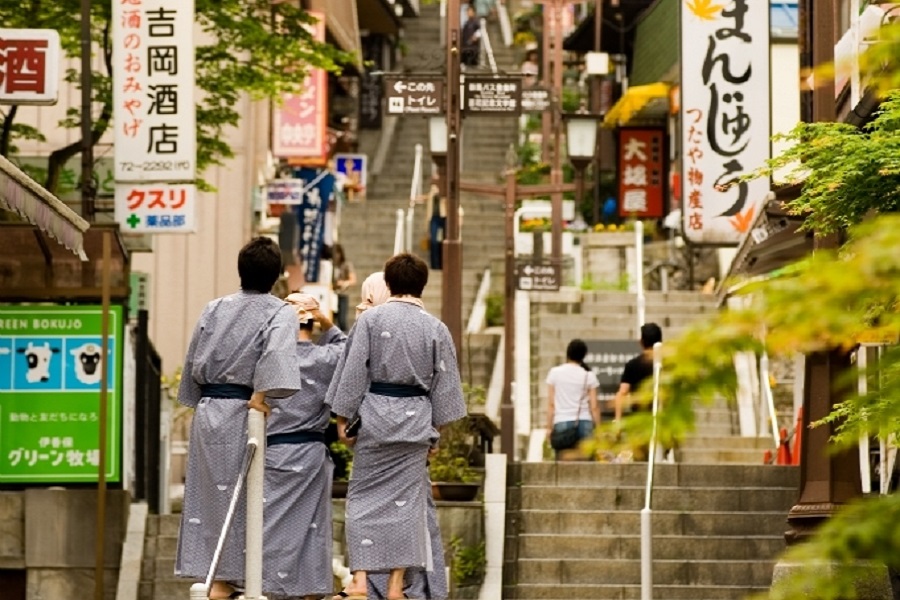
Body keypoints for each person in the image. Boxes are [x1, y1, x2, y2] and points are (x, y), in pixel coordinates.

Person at [327, 253, 467, 600]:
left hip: (375, 418)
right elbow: (445, 388)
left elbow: (354, 372)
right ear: (423, 285)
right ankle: (394, 585)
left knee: (361, 500)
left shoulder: (371, 322)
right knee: (407, 507)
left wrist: (344, 420)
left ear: (388, 284)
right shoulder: (436, 328)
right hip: (415, 422)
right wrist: (436, 432)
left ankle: (359, 579)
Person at [174, 237, 304, 600]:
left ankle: (217, 578)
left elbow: (192, 367)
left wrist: (202, 402)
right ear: (277, 274)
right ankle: (233, 580)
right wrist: (260, 398)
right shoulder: (280, 312)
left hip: (208, 412)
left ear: (240, 270)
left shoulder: (214, 308)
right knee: (248, 496)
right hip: (244, 413)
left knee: (210, 496)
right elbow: (276, 358)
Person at [262, 293, 347, 600]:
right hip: (310, 454)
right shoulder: (326, 358)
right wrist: (327, 321)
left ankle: (267, 590)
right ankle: (310, 593)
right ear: (314, 322)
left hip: (273, 454)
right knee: (313, 531)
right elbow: (348, 347)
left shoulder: (268, 357)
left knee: (270, 527)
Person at [546, 339, 601, 459]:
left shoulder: (554, 373)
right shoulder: (589, 375)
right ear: (583, 356)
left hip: (561, 422)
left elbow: (551, 404)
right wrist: (599, 429)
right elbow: (594, 407)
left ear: (568, 353)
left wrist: (549, 428)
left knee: (562, 464)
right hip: (585, 423)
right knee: (587, 463)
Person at [614, 322, 663, 424]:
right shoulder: (668, 364)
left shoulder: (632, 365)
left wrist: (618, 421)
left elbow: (622, 393)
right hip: (664, 420)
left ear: (641, 342)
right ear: (661, 341)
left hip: (639, 421)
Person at [333, 243, 357, 332]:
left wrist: (344, 283)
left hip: (342, 294)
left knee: (342, 320)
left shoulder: (346, 265)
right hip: (331, 294)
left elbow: (353, 280)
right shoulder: (331, 264)